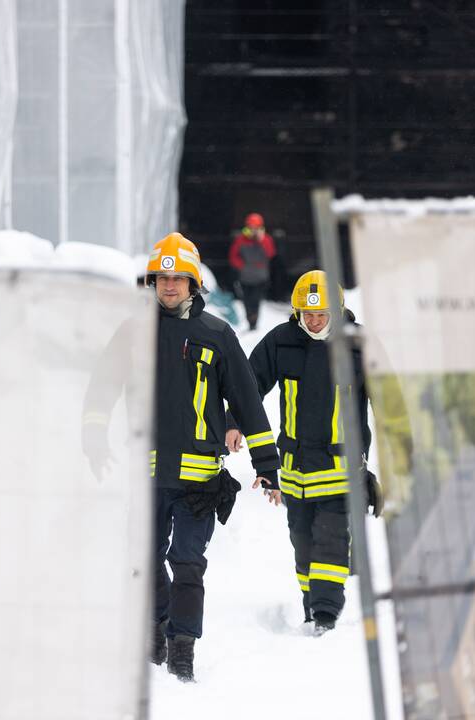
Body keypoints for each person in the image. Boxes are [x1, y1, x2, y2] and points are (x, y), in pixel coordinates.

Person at [87, 232, 281, 682]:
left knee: (188, 561)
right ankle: (155, 627)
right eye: (162, 278)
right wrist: (93, 437)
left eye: (179, 278)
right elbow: (101, 386)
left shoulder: (217, 334)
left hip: (199, 481)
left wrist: (267, 466)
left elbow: (249, 404)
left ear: (194, 284)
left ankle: (182, 647)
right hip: (148, 476)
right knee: (145, 559)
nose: (169, 286)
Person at [228, 269, 383, 635]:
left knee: (331, 539)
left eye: (321, 314)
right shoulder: (281, 342)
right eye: (307, 314)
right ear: (296, 312)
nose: (313, 321)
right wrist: (233, 421)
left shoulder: (359, 346)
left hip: (340, 469)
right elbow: (250, 386)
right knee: (303, 542)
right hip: (295, 472)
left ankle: (326, 613)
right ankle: (312, 608)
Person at [227, 212, 276, 331]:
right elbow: (233, 257)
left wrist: (262, 240)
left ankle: (254, 322)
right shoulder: (240, 240)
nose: (253, 231)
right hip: (245, 278)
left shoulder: (266, 239)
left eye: (256, 228)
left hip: (261, 278)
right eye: (251, 228)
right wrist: (242, 266)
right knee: (247, 301)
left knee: (256, 300)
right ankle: (250, 321)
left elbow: (271, 254)